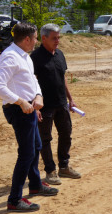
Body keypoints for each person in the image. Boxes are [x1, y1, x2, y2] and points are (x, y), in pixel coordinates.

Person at [0, 22, 59, 212]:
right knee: (27, 154)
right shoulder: (11, 57)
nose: (37, 41)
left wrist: (38, 96)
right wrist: (21, 101)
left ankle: (36, 185)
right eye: (36, 38)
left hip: (30, 109)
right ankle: (14, 199)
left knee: (36, 146)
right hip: (19, 111)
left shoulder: (25, 57)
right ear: (27, 39)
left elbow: (33, 80)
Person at [30, 23, 81, 185]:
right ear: (43, 38)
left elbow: (63, 77)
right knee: (45, 139)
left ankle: (64, 167)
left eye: (59, 38)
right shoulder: (35, 58)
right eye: (54, 38)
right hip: (45, 107)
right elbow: (31, 82)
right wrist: (34, 106)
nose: (57, 41)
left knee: (66, 135)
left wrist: (70, 99)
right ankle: (50, 171)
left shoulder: (59, 54)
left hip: (62, 103)